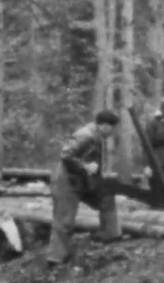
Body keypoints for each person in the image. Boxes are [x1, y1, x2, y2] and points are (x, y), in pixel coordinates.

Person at [47, 110, 122, 266]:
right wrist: (85, 166)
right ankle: (56, 258)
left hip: (83, 180)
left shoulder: (98, 137)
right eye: (112, 128)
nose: (113, 132)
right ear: (105, 126)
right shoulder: (85, 135)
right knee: (65, 220)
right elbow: (66, 155)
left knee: (106, 196)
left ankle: (110, 233)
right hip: (68, 181)